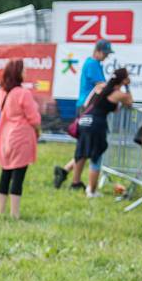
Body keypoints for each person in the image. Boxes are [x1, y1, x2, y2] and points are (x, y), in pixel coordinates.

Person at [54, 39, 113, 189]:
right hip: (88, 108)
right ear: (98, 51)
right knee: (86, 146)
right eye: (105, 53)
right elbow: (101, 86)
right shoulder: (93, 64)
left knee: (85, 146)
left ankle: (67, 173)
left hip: (86, 107)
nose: (107, 56)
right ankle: (74, 180)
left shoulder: (93, 63)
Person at [73, 67, 133, 197]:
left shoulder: (102, 88)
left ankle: (75, 182)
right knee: (96, 156)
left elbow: (96, 104)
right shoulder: (117, 93)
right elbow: (129, 102)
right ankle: (91, 191)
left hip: (85, 120)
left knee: (81, 152)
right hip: (96, 123)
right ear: (123, 80)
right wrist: (127, 87)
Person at [0, 59, 41, 219]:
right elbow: (34, 118)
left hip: (6, 136)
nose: (26, 72)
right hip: (21, 137)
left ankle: (1, 211)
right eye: (23, 70)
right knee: (18, 175)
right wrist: (38, 131)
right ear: (17, 73)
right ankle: (15, 214)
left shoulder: (2, 92)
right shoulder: (23, 93)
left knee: (5, 172)